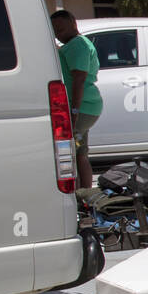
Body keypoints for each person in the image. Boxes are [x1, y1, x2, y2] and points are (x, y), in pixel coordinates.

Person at [50, 10, 103, 189]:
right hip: (86, 107)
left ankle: (80, 196)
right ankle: (85, 196)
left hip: (82, 107)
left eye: (62, 30)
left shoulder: (77, 45)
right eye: (55, 31)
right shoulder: (76, 43)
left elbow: (78, 80)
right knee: (80, 153)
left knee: (72, 153)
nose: (59, 34)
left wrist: (74, 111)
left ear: (74, 23)